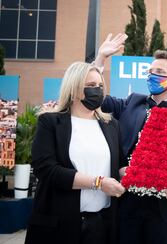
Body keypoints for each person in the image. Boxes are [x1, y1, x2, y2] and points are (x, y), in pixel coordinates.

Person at [93, 40, 167, 244]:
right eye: (150, 71)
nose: (152, 75)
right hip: (127, 200)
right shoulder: (133, 102)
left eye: (159, 71)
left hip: (166, 207)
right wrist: (100, 58)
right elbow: (99, 100)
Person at [25, 62, 126, 244]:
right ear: (73, 88)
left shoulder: (111, 124)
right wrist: (98, 183)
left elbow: (120, 164)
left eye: (100, 86)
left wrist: (136, 175)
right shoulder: (50, 122)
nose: (97, 91)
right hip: (59, 225)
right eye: (90, 86)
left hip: (101, 225)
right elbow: (46, 170)